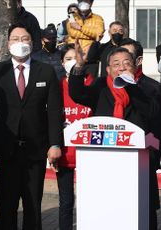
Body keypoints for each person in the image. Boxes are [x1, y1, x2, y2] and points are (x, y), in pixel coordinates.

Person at [0, 23, 63, 230]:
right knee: (7, 204)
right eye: (15, 39)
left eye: (25, 39)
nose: (20, 43)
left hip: (36, 149)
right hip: (6, 147)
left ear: (33, 43)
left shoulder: (46, 71)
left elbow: (56, 111)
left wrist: (55, 143)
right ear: (7, 43)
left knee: (33, 204)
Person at [120, 38, 161, 230]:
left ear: (138, 60)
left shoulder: (151, 87)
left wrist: (152, 157)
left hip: (143, 157)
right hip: (115, 157)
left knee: (146, 211)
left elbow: (156, 126)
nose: (122, 63)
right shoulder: (107, 85)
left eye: (127, 58)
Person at [69, 40, 160, 133]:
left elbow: (152, 113)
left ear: (134, 66)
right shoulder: (101, 85)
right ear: (108, 69)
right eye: (116, 64)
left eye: (127, 63)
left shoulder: (145, 87)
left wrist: (131, 85)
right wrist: (79, 65)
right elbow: (77, 94)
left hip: (134, 142)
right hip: (104, 140)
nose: (122, 68)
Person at [57, 43, 93, 230]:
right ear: (62, 63)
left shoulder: (93, 85)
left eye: (75, 58)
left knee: (89, 201)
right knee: (66, 202)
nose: (72, 62)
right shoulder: (56, 88)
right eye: (68, 59)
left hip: (89, 154)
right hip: (64, 155)